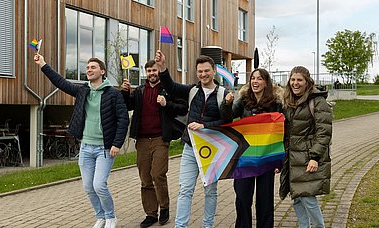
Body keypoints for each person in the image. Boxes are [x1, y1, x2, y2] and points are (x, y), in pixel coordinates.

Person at [34, 54, 128, 228]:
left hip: (104, 149)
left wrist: (117, 144)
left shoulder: (113, 94)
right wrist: (43, 64)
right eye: (87, 68)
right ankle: (100, 217)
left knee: (99, 185)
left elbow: (123, 119)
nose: (89, 70)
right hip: (86, 147)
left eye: (93, 67)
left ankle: (111, 217)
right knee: (88, 187)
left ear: (102, 71)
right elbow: (61, 82)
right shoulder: (83, 91)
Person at [154, 50, 233, 228]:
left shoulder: (223, 94)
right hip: (190, 148)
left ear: (214, 71)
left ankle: (208, 225)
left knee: (210, 191)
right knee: (185, 190)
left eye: (206, 71)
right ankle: (180, 226)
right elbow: (171, 87)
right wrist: (163, 67)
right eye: (200, 71)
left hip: (212, 150)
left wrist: (205, 126)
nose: (203, 74)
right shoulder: (192, 90)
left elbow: (227, 122)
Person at [120, 60, 188, 228]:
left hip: (160, 138)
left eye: (155, 70)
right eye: (149, 70)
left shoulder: (168, 89)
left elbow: (183, 108)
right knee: (145, 179)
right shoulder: (140, 91)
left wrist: (167, 103)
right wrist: (125, 92)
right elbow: (127, 106)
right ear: (146, 72)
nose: (152, 73)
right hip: (142, 140)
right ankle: (151, 214)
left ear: (159, 71)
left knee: (158, 174)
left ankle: (164, 208)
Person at [223, 68, 283, 228]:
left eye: (259, 79)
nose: (255, 81)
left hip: (266, 157)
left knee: (265, 198)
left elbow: (281, 132)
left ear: (266, 82)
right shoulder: (243, 101)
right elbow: (227, 119)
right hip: (245, 157)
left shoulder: (276, 104)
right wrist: (227, 104)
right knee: (242, 197)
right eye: (253, 79)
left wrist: (279, 160)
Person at [279, 66, 332, 228]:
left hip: (308, 157)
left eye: (299, 80)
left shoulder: (318, 102)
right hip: (292, 158)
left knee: (308, 198)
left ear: (307, 82)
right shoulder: (289, 101)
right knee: (297, 198)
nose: (295, 83)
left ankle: (319, 226)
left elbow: (324, 133)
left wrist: (314, 157)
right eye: (293, 79)